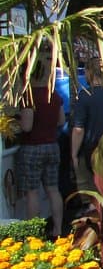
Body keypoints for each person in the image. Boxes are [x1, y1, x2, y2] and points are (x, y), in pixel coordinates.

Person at [16, 55, 66, 236]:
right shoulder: (54, 95)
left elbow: (27, 126)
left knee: (32, 192)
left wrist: (17, 119)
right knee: (53, 190)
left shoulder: (29, 96)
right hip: (52, 146)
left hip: (32, 148)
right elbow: (61, 121)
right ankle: (58, 229)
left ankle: (33, 233)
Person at [70, 56, 103, 203]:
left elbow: (78, 129)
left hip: (89, 149)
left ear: (89, 72)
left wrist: (74, 154)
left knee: (90, 194)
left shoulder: (85, 95)